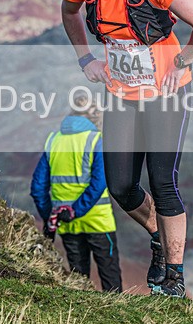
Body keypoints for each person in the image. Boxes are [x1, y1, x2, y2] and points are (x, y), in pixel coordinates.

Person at [59, 0, 193, 297]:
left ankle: (174, 277)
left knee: (163, 182)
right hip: (121, 93)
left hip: (165, 93)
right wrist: (85, 59)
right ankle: (157, 238)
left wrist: (182, 62)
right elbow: (68, 11)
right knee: (120, 185)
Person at [30, 94, 123, 292]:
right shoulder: (97, 140)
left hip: (66, 223)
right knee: (110, 277)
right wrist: (76, 210)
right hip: (98, 220)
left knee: (78, 282)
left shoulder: (53, 141)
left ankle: (78, 321)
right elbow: (99, 183)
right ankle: (119, 320)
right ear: (95, 117)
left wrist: (50, 217)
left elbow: (37, 188)